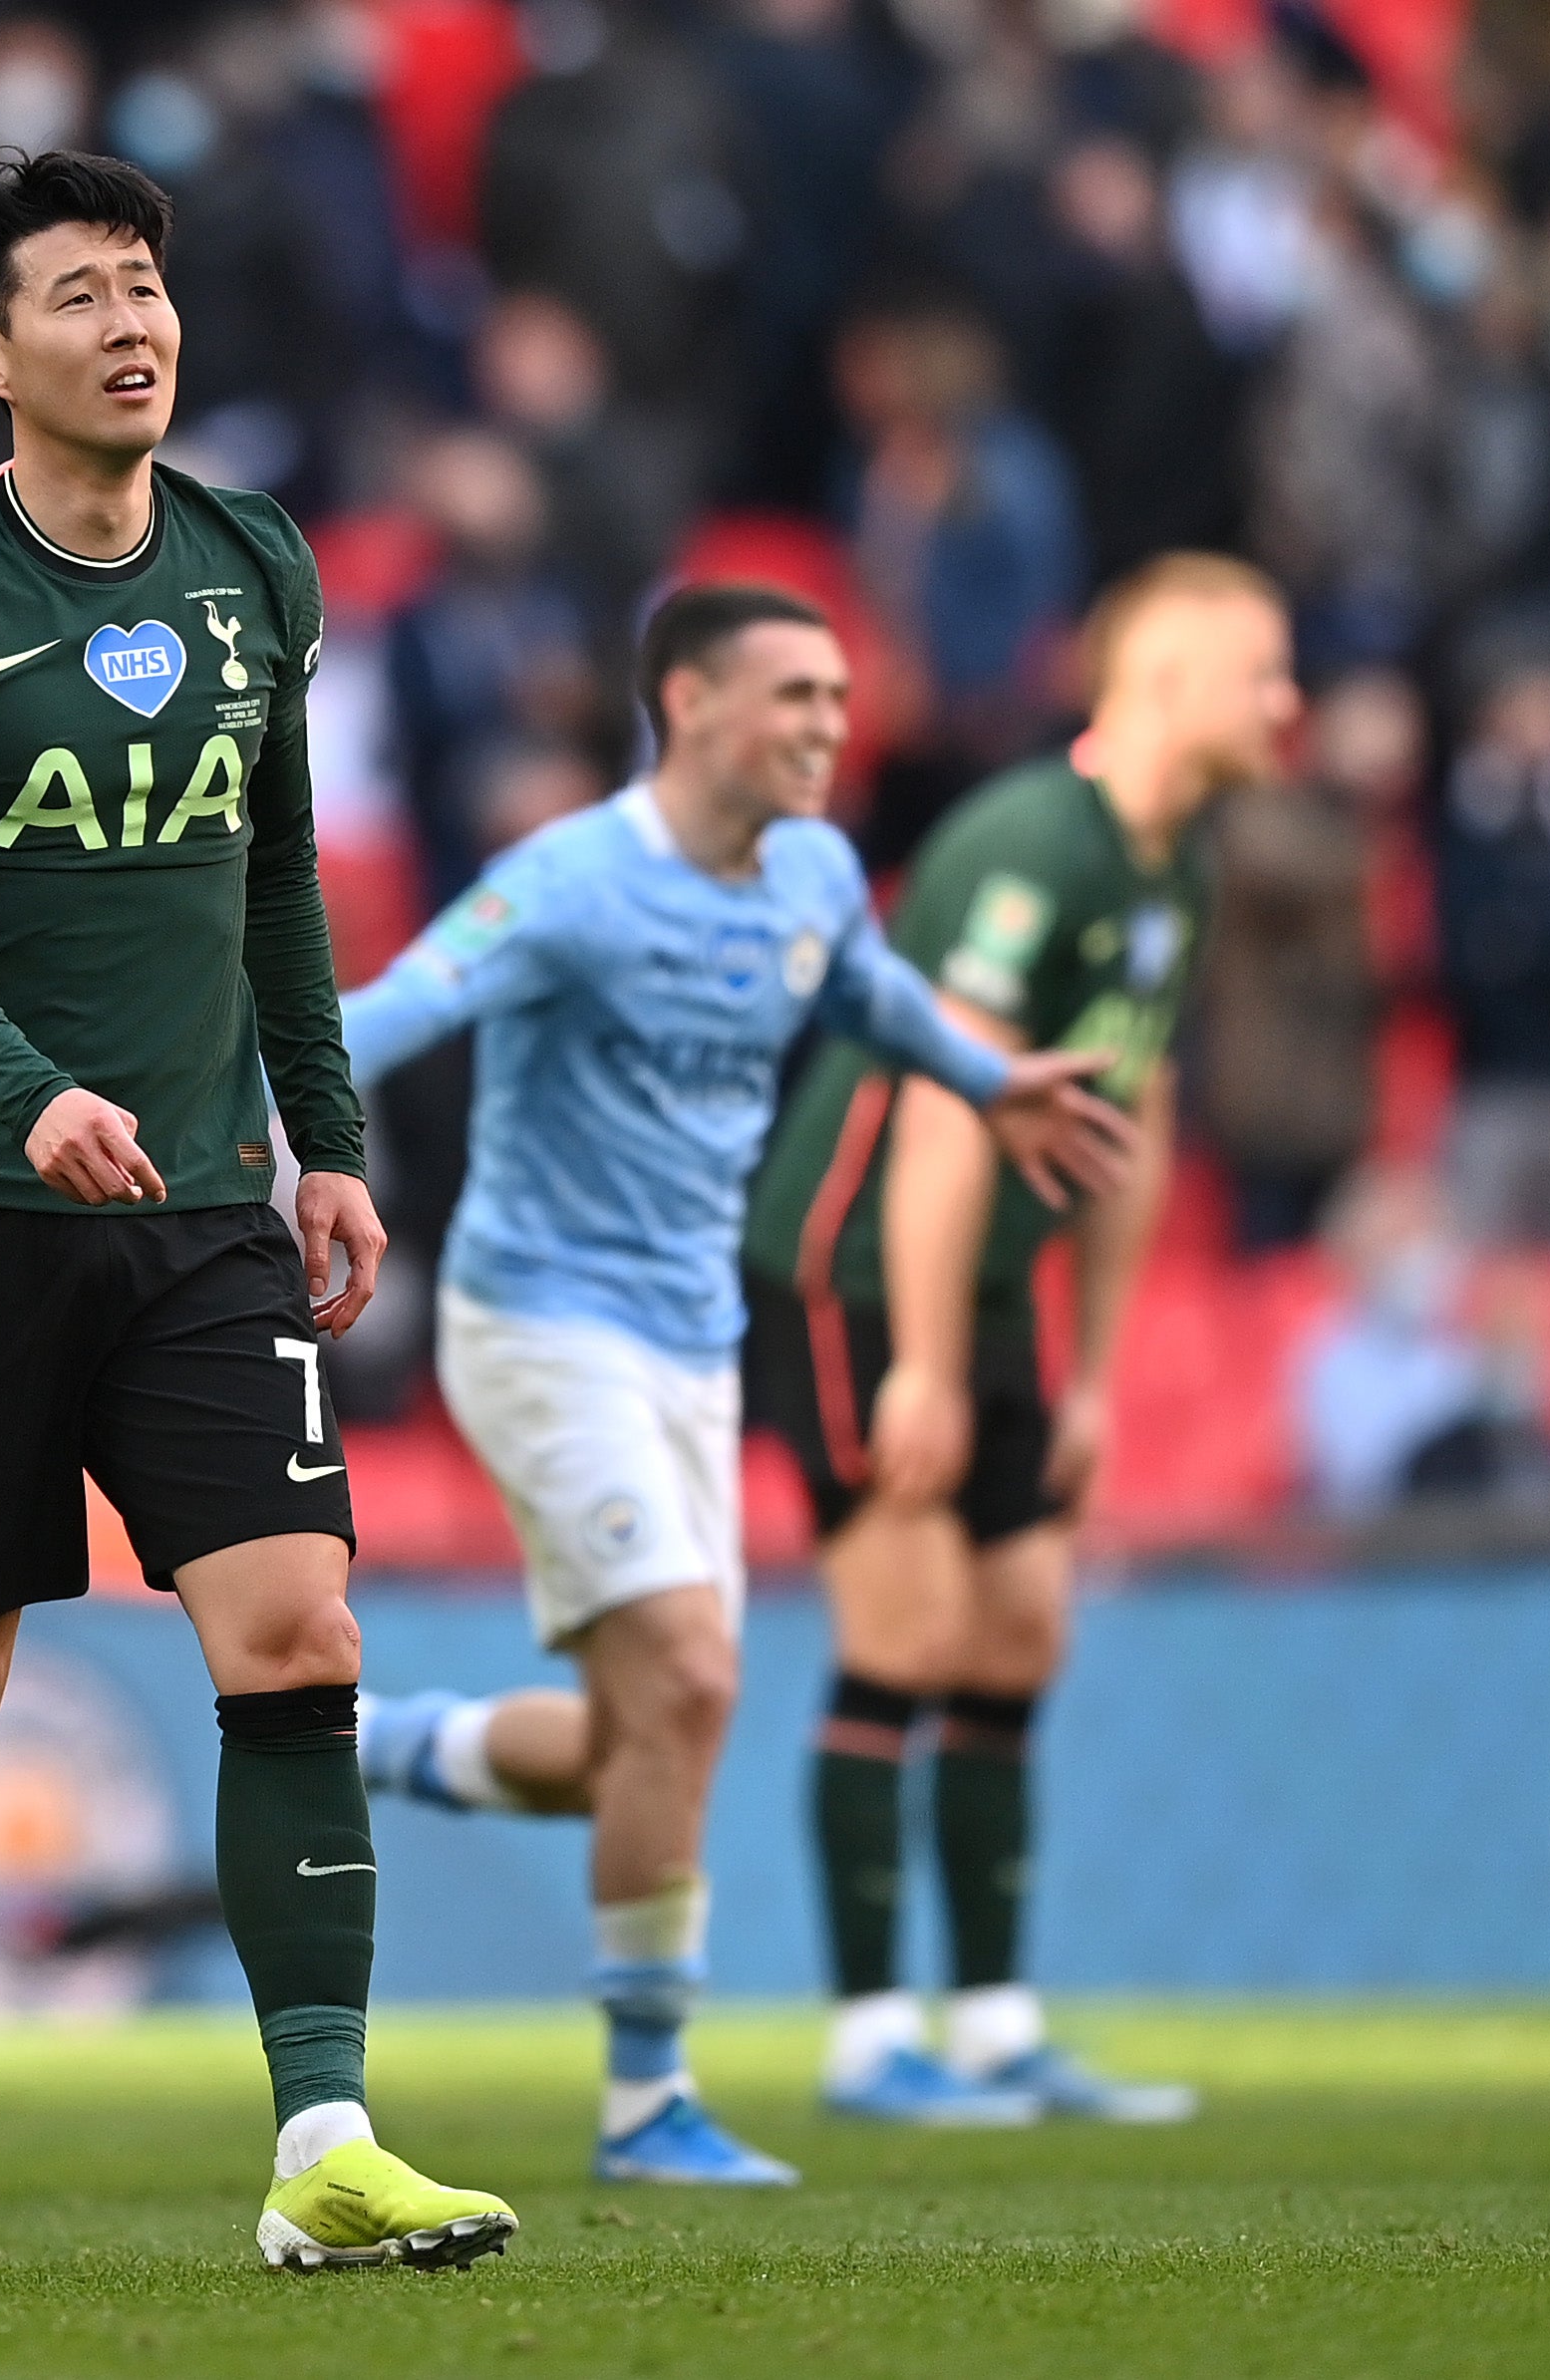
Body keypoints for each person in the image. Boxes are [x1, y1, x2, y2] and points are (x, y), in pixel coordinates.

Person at [0, 148, 511, 2285]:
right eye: (82, 295)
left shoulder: (253, 564)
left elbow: (278, 872)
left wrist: (328, 1141)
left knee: (298, 1639)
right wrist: (24, 1100)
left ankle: (326, 2145)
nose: (135, 323)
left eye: (148, 286)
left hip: (204, 1208)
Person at [348, 584, 1134, 2184]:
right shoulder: (569, 882)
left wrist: (989, 1083)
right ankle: (648, 2099)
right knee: (697, 1678)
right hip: (541, 1327)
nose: (829, 730)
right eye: (794, 698)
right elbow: (401, 1005)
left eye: (840, 700)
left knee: (644, 1734)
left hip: (694, 1347)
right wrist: (253, 1115)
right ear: (691, 703)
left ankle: (366, 1740)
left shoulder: (814, 871)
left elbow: (856, 987)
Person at [740, 553, 1292, 2124]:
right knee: (903, 1633)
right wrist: (916, 1358)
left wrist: (1097, 1374)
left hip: (984, 1286)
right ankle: (866, 2039)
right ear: (1171, 682)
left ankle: (988, 2020)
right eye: (1263, 671)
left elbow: (1128, 1114)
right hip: (855, 1270)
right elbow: (934, 1107)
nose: (1288, 703)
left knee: (1019, 1631)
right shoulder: (1026, 844)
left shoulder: (1170, 865)